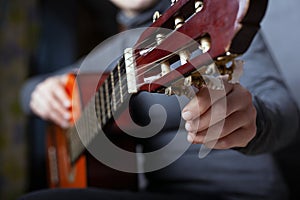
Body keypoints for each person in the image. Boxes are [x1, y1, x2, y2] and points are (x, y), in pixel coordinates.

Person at [20, 0, 300, 200]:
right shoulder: (104, 58)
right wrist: (35, 93)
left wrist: (255, 122)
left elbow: (283, 111)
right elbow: (32, 89)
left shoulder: (199, 20)